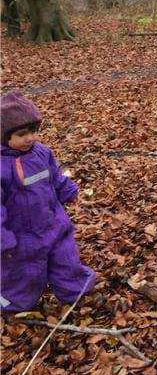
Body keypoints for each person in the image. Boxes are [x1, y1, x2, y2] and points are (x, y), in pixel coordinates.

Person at [0, 91, 95, 313]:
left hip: (54, 223)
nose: (30, 138)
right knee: (24, 274)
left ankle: (75, 292)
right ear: (4, 136)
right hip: (22, 236)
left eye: (33, 131)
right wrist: (4, 240)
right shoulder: (2, 167)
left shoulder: (41, 153)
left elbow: (54, 175)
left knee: (66, 260)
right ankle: (13, 306)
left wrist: (67, 190)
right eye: (22, 134)